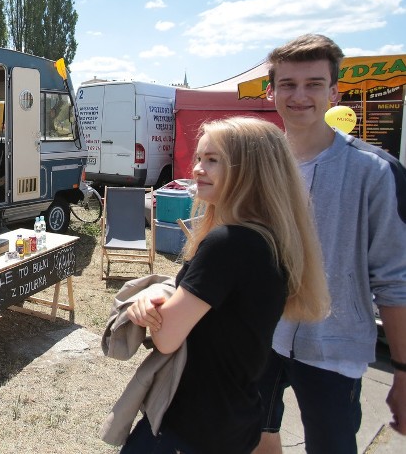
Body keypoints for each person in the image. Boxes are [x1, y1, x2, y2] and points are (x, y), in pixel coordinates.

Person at [123, 117, 330, 453]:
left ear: (251, 170)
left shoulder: (228, 243)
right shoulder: (271, 238)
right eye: (199, 158)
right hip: (234, 417)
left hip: (192, 423)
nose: (198, 170)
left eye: (213, 160)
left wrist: (156, 297)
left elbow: (166, 337)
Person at [254, 34, 406, 453]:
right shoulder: (257, 166)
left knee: (332, 446)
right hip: (262, 336)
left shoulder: (373, 171)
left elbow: (395, 280)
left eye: (314, 83)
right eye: (287, 84)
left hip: (334, 346)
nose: (299, 95)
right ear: (272, 91)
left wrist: (403, 372)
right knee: (254, 434)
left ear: (333, 92)